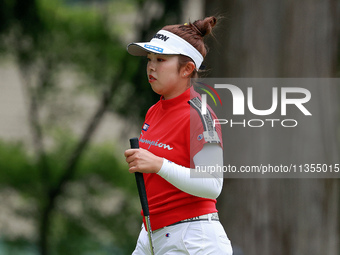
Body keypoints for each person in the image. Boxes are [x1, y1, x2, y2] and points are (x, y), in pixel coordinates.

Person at [124, 16, 232, 255]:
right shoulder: (154, 111)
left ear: (187, 69)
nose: (151, 67)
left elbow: (213, 184)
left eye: (160, 60)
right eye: (149, 60)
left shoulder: (201, 115)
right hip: (153, 233)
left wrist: (158, 164)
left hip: (194, 240)